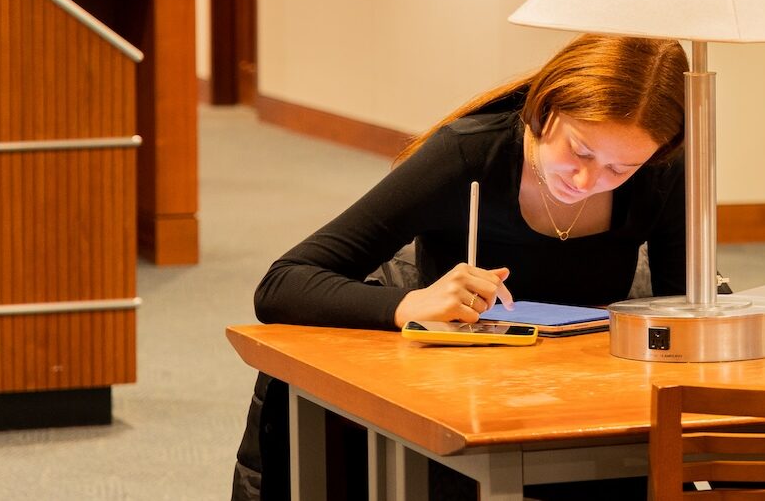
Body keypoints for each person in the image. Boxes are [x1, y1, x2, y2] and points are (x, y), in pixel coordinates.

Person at [233, 33, 689, 501]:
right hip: (459, 409)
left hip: (584, 400)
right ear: (546, 107)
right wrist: (410, 303)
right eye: (581, 151)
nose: (588, 181)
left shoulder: (660, 172)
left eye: (620, 169)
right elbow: (283, 282)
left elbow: (686, 309)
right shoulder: (466, 154)